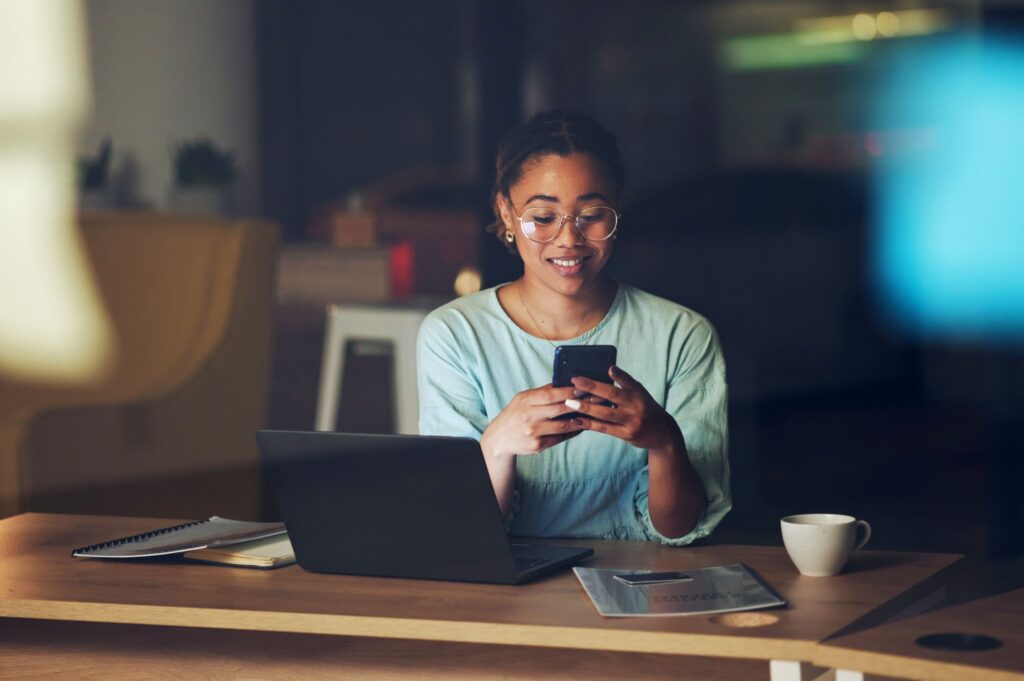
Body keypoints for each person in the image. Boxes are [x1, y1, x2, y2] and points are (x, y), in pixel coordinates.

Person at [416, 110, 730, 544]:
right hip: (506, 595)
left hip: (644, 587)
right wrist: (498, 444)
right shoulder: (455, 334)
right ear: (506, 213)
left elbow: (677, 528)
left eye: (592, 214)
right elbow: (463, 532)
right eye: (543, 218)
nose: (569, 239)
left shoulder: (682, 335)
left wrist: (664, 442)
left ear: (617, 208)